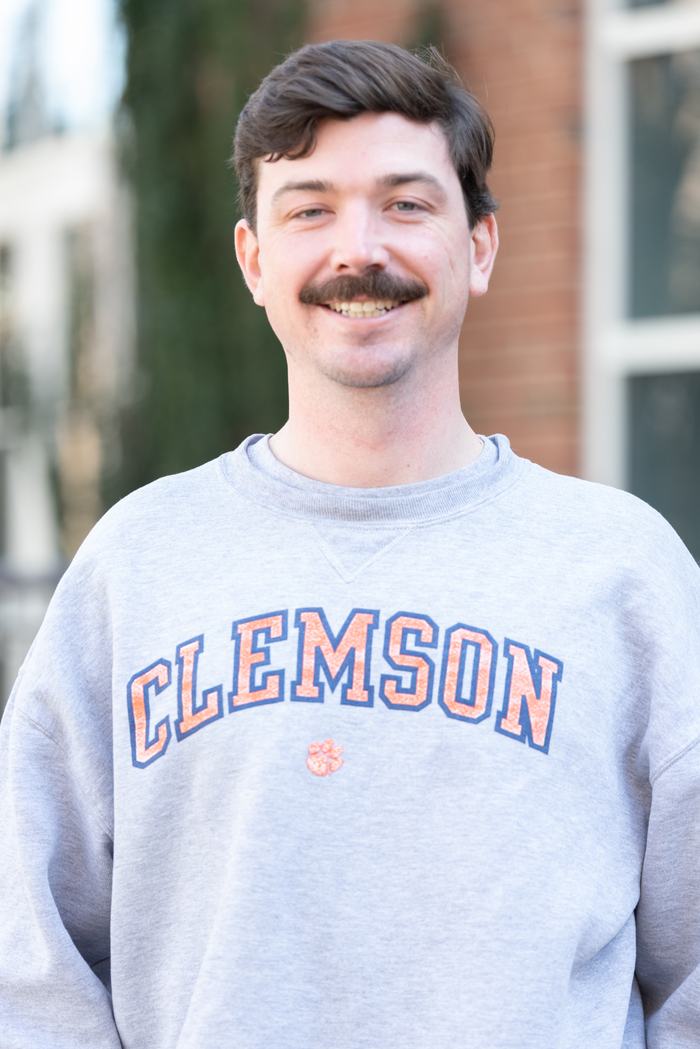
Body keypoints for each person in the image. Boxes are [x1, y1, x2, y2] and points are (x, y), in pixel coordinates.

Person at [0, 38, 698, 1049]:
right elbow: (30, 962)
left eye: (406, 203)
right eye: (310, 207)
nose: (357, 250)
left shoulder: (623, 570)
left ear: (482, 245)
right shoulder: (137, 563)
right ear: (254, 259)